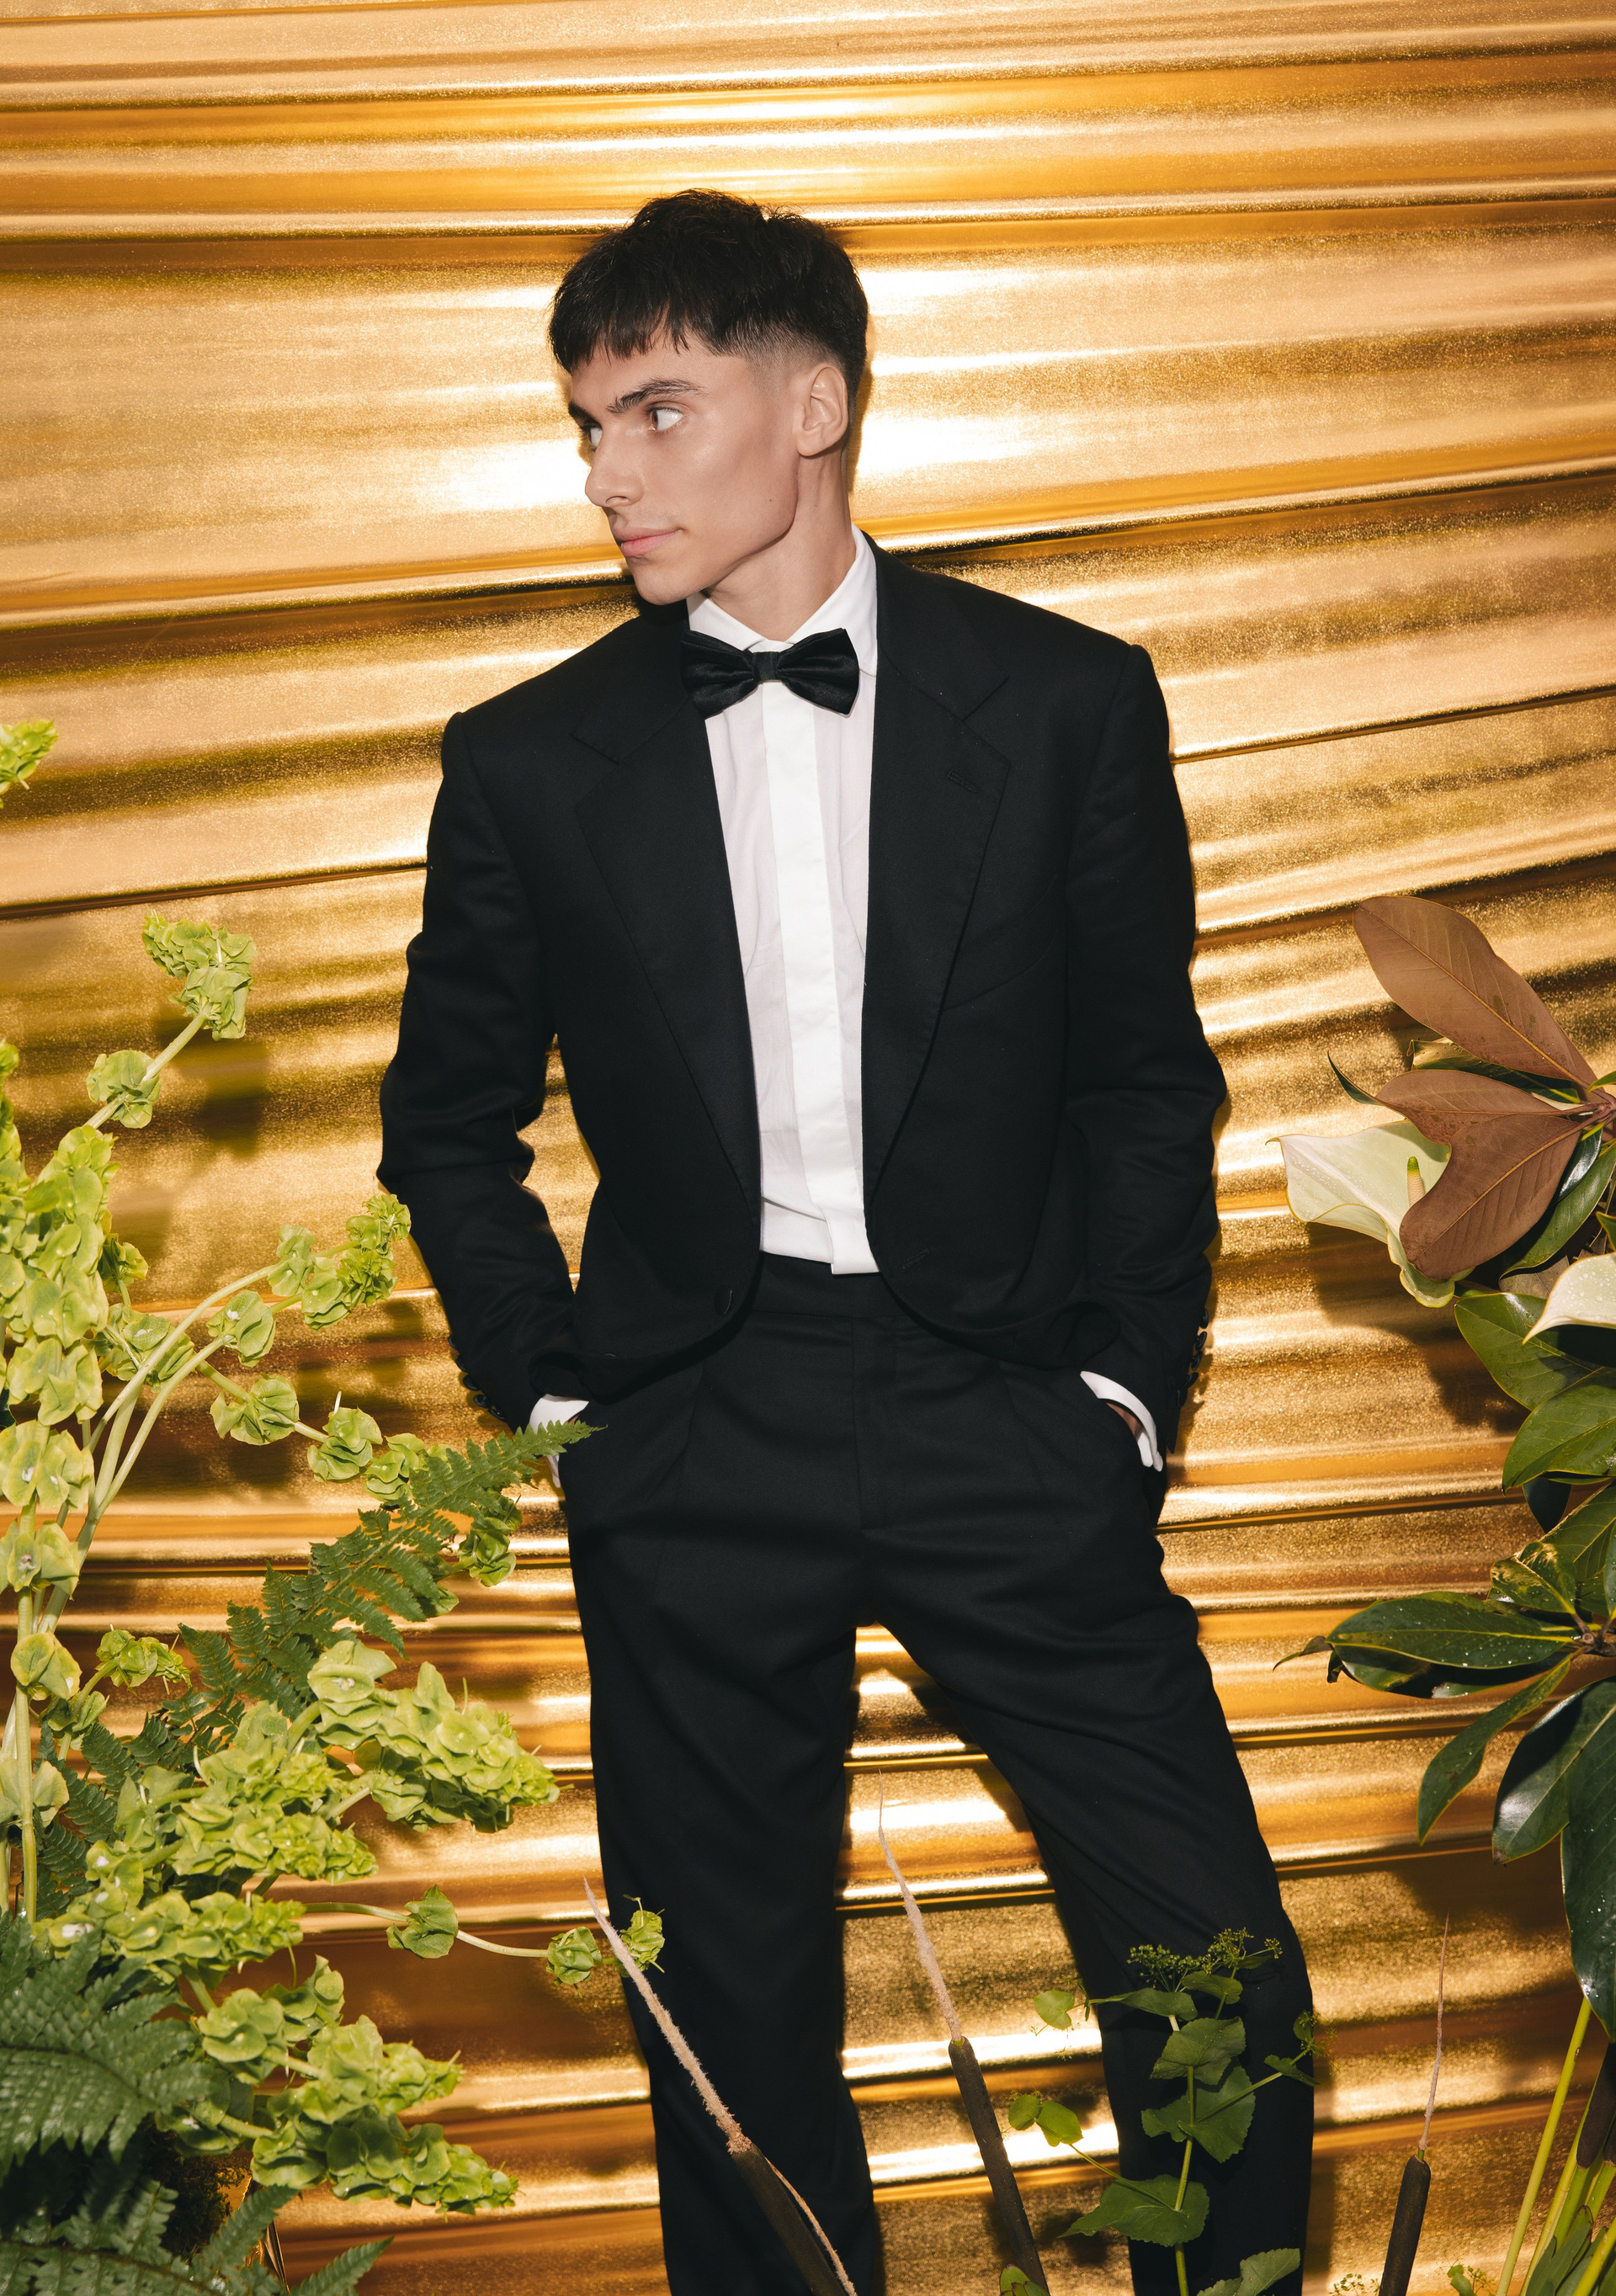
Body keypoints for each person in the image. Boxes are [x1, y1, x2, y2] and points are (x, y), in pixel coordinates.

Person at [379, 188, 1312, 2296]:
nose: (606, 472)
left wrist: (1120, 1389)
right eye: (587, 425)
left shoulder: (1065, 702)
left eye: (654, 410)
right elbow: (445, 1124)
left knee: (1217, 1970)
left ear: (813, 405)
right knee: (726, 2029)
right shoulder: (527, 760)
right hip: (696, 1422)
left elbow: (1143, 1084)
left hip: (1007, 1395)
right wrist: (563, 1393)